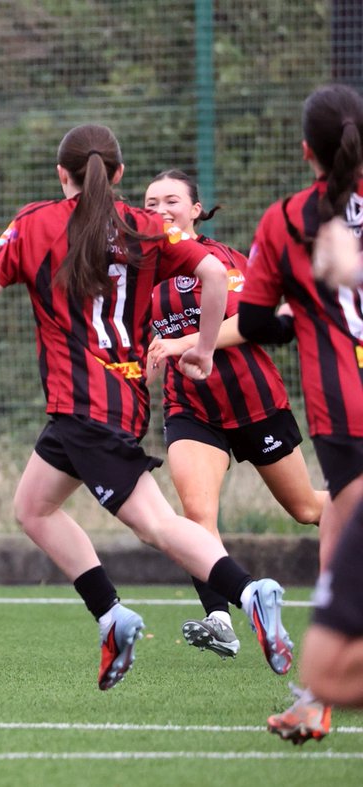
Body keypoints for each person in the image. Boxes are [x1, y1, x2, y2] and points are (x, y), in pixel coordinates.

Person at [0, 123, 294, 691]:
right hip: (109, 401)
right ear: (117, 174)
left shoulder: (36, 222)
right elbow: (213, 272)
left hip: (87, 406)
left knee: (159, 525)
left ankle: (248, 593)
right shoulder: (145, 228)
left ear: (61, 173)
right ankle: (113, 615)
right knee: (33, 507)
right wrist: (205, 349)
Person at [141, 169, 325, 659]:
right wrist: (146, 368)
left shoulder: (220, 259)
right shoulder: (139, 272)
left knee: (307, 509)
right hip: (191, 410)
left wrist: (184, 342)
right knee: (196, 516)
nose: (160, 209)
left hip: (254, 400)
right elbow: (145, 346)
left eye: (172, 200)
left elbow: (247, 323)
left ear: (196, 209)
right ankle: (220, 618)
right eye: (151, 202)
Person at [236, 83, 363, 744]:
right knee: (340, 534)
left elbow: (255, 318)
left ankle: (319, 691)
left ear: (305, 148)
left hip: (345, 408)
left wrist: (306, 319)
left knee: (345, 538)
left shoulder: (287, 220)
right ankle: (316, 696)